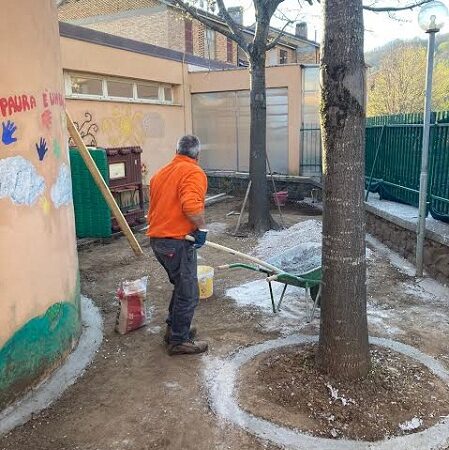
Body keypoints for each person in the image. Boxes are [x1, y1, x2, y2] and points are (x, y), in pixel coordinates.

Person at [147, 135, 209, 356]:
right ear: (197, 155)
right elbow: (191, 205)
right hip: (176, 243)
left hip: (158, 242)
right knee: (189, 293)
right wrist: (201, 229)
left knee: (181, 287)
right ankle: (178, 341)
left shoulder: (160, 174)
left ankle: (173, 330)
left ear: (177, 151)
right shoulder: (193, 172)